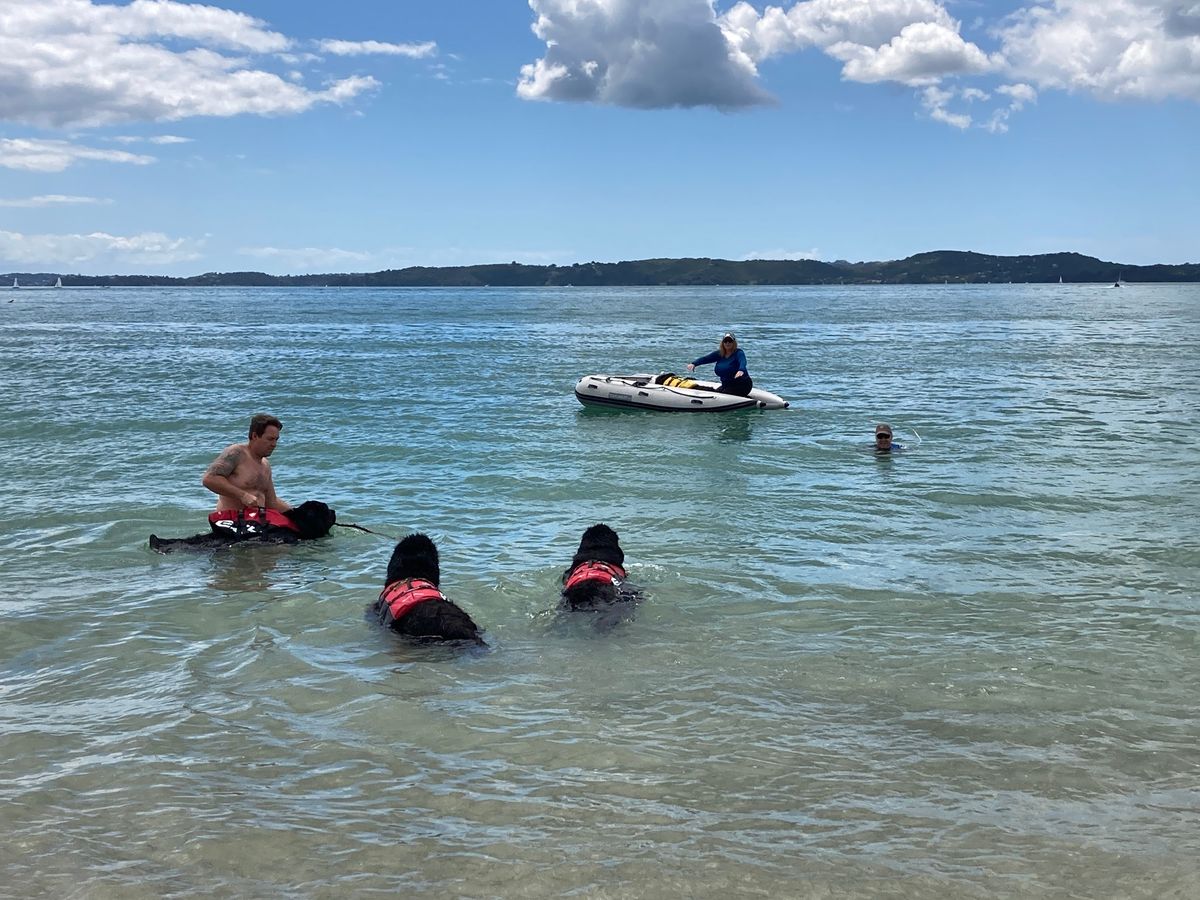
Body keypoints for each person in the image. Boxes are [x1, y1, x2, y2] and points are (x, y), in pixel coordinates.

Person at [202, 414, 292, 527]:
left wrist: (295, 513)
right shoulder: (236, 453)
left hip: (256, 523)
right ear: (254, 436)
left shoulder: (265, 464)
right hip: (232, 523)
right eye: (270, 439)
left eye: (276, 439)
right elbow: (209, 479)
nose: (274, 444)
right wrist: (243, 495)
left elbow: (271, 502)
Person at [686, 332, 753, 397]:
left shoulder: (738, 353)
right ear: (723, 343)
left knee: (720, 395)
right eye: (725, 341)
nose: (727, 343)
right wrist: (694, 364)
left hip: (742, 385)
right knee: (714, 393)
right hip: (726, 385)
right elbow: (706, 359)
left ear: (734, 343)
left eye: (730, 341)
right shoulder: (720, 353)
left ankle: (746, 401)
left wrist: (741, 370)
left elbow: (743, 361)